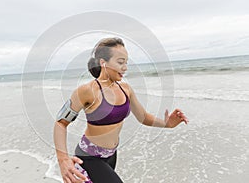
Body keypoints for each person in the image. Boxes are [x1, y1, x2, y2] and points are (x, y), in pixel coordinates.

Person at [53, 37, 188, 183]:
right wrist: (63, 160)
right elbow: (61, 123)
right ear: (103, 63)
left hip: (111, 156)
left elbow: (143, 117)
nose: (125, 68)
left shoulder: (125, 89)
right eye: (120, 62)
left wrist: (166, 124)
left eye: (126, 62)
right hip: (88, 158)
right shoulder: (87, 91)